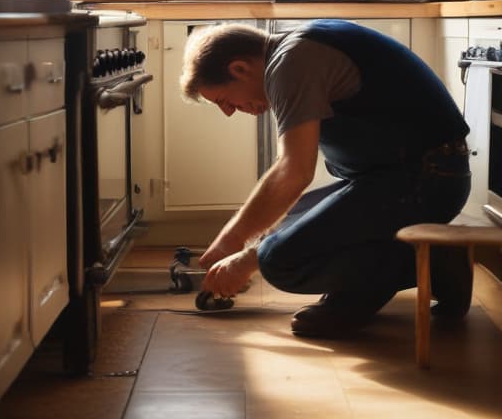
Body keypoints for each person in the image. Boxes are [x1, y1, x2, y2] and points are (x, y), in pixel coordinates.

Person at [179, 19, 472, 338]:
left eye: (223, 100)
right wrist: (238, 244)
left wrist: (239, 253)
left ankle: (428, 264)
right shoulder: (298, 50)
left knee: (276, 259)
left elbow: (293, 171)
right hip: (406, 177)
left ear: (238, 69)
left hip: (425, 181)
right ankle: (419, 264)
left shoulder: (293, 63)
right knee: (286, 227)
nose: (229, 111)